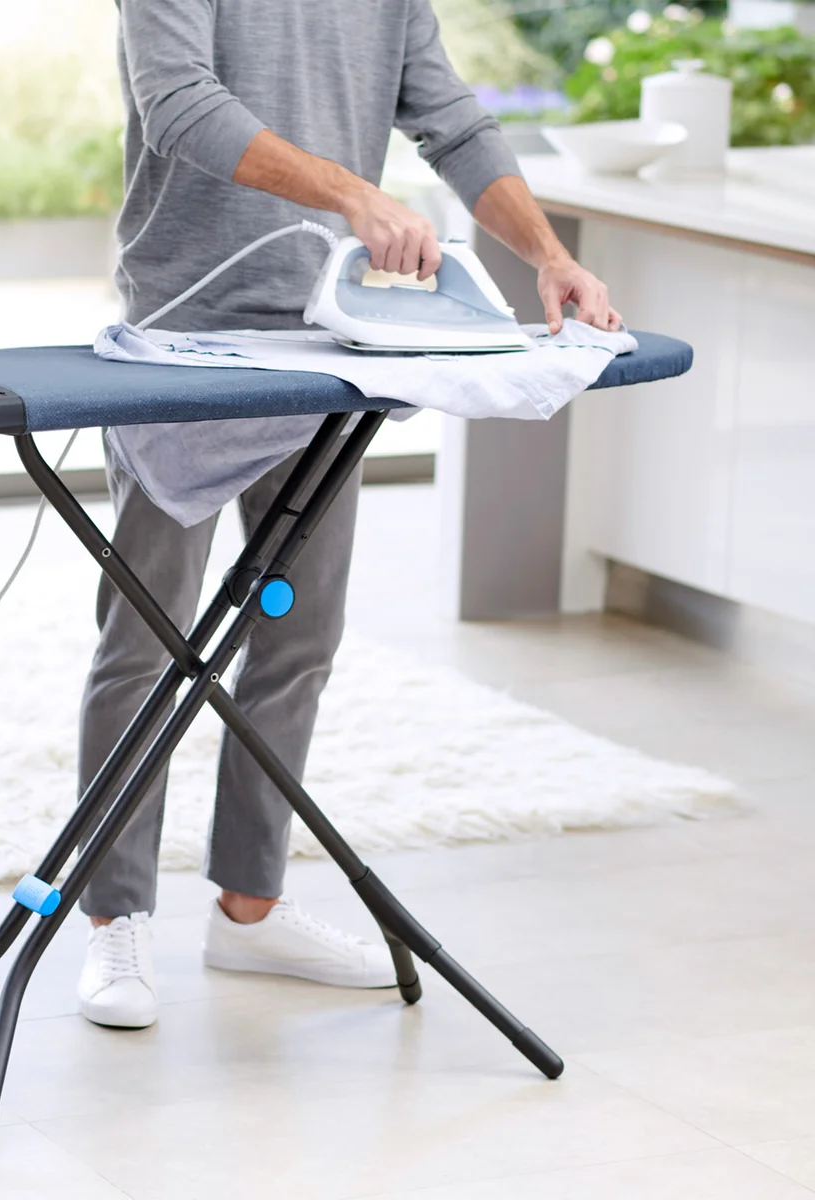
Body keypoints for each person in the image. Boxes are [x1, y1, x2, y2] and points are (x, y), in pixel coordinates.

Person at [76, 0, 621, 1029]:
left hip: (328, 341)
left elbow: (453, 122)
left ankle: (249, 907)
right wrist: (354, 194)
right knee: (147, 641)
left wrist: (547, 256)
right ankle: (114, 915)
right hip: (183, 336)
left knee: (299, 637)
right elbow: (180, 103)